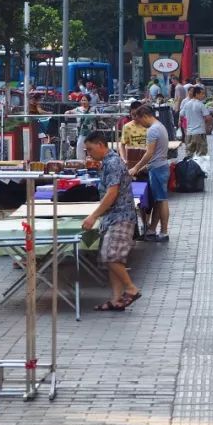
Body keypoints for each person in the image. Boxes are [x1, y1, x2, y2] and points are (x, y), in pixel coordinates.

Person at [82, 131, 142, 312]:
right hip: (112, 217)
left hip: (120, 216)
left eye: (90, 149)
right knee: (112, 258)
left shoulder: (113, 163)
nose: (89, 153)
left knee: (110, 256)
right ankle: (116, 299)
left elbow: (112, 193)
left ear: (101, 145)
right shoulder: (107, 163)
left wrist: (93, 216)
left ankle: (131, 288)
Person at [129, 105, 171, 242]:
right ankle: (153, 230)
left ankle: (164, 232)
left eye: (140, 120)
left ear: (145, 116)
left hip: (158, 168)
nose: (141, 124)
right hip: (161, 166)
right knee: (159, 200)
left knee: (162, 200)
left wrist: (136, 167)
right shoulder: (160, 126)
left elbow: (149, 152)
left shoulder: (152, 130)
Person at [180, 85, 212, 157]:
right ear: (197, 94)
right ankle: (200, 168)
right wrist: (209, 126)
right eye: (202, 94)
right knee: (201, 155)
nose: (203, 95)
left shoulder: (187, 104)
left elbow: (181, 114)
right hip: (200, 132)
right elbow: (208, 117)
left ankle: (189, 168)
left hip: (189, 133)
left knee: (189, 155)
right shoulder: (200, 105)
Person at [66, 94, 95, 160]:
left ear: (89, 101)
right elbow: (70, 112)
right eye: (82, 100)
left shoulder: (93, 109)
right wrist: (67, 112)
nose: (83, 102)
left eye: (85, 100)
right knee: (80, 145)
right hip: (81, 132)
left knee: (91, 147)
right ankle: (81, 161)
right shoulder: (78, 109)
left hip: (91, 132)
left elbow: (98, 117)